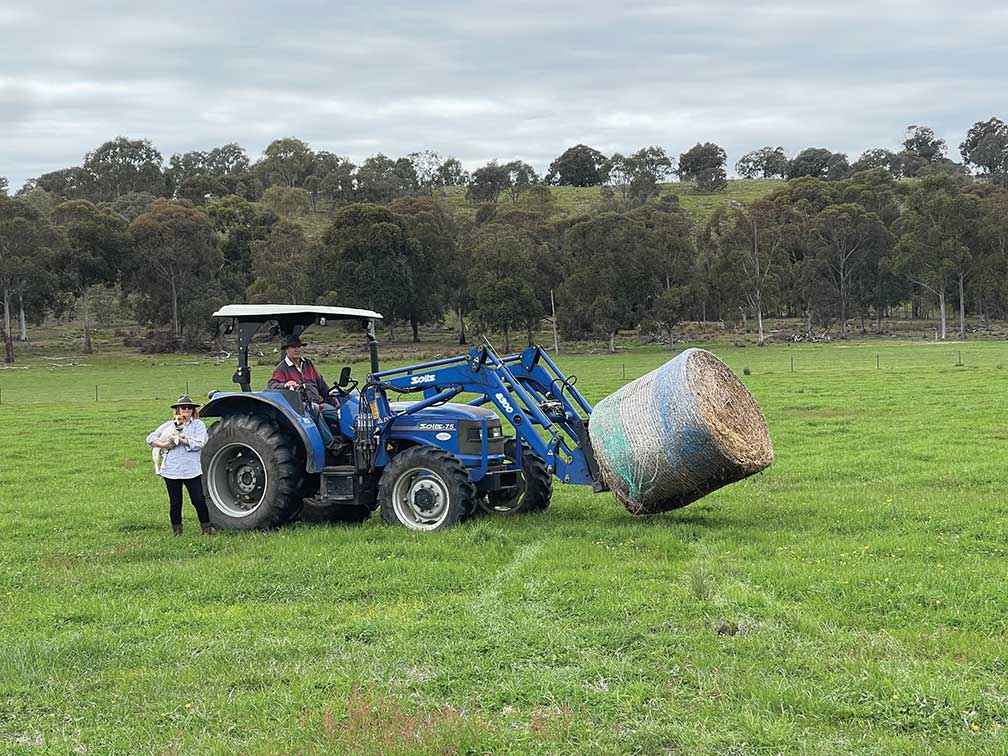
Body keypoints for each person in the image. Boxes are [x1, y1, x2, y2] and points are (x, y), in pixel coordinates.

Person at [146, 395, 213, 536]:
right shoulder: (169, 425)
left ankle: (206, 529)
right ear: (178, 410)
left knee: (198, 500)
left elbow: (201, 443)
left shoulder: (198, 425)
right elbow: (150, 438)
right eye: (183, 408)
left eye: (189, 408)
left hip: (192, 469)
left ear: (193, 410)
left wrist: (183, 441)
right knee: (175, 503)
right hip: (171, 469)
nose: (186, 410)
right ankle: (177, 531)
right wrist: (163, 444)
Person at [267, 334, 341, 447]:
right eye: (293, 347)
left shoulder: (307, 364)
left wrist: (332, 399)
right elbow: (272, 385)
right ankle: (330, 445)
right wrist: (286, 384)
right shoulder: (281, 368)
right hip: (300, 407)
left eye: (298, 346)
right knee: (315, 409)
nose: (296, 349)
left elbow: (321, 383)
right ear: (287, 349)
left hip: (317, 402)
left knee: (339, 412)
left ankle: (345, 440)